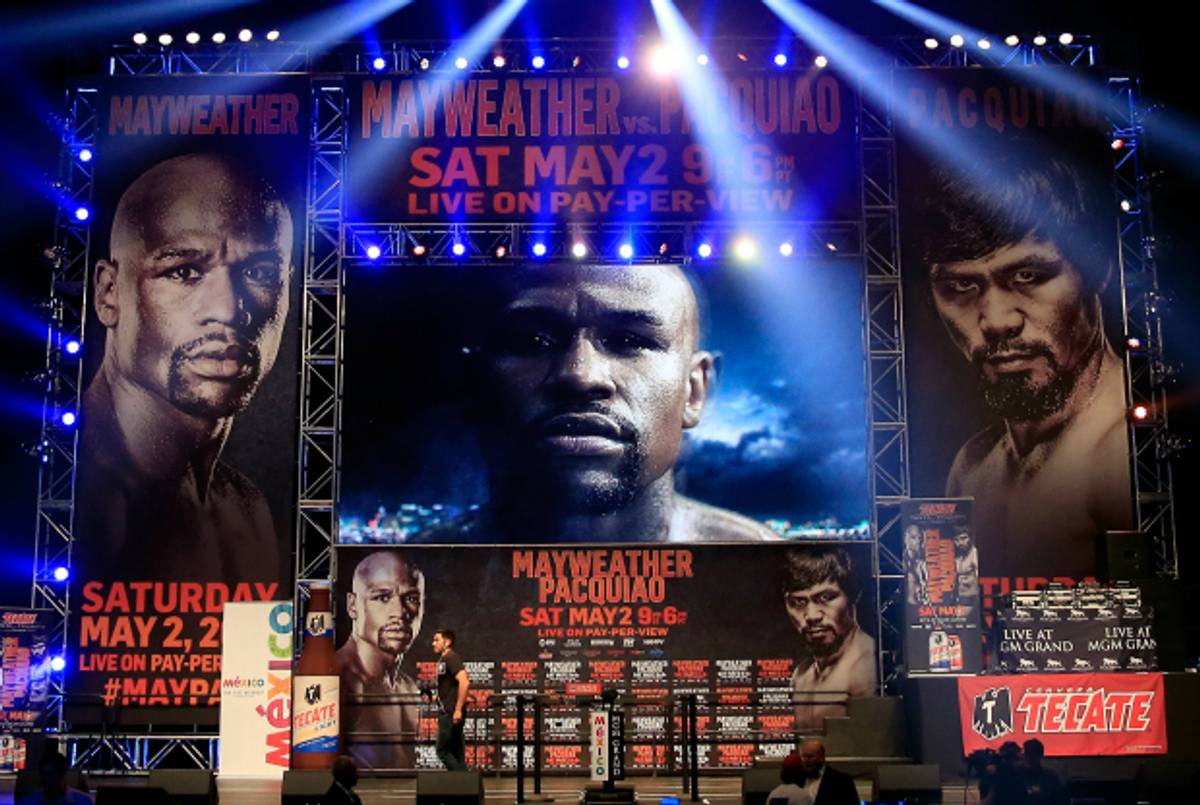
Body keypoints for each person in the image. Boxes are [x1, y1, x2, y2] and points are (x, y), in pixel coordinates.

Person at [416, 262, 775, 543]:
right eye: (533, 340)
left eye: (630, 341)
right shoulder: (414, 574)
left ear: (695, 390)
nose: (581, 376)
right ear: (475, 384)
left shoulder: (768, 573)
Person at [76, 152, 294, 583]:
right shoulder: (60, 497)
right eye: (183, 271)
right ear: (108, 294)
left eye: (261, 273)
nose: (228, 309)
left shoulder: (246, 508)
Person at [917, 153, 1132, 580]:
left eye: (1030, 275)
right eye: (961, 285)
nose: (997, 320)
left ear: (1097, 269)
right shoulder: (973, 466)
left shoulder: (1122, 455)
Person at [338, 551, 425, 769]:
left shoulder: (409, 686)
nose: (399, 612)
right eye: (382, 598)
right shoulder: (342, 680)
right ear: (352, 605)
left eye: (412, 599)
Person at [782, 547, 877, 731]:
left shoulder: (867, 667)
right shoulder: (800, 676)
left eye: (826, 597)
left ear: (852, 596)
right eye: (798, 602)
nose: (811, 616)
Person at [433, 628, 470, 770]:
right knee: (456, 752)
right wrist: (437, 697)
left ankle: (463, 780)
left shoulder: (451, 657)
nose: (433, 643)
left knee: (442, 751)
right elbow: (452, 686)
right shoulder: (444, 659)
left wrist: (458, 709)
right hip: (449, 709)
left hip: (450, 712)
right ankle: (466, 788)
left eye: (437, 640)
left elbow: (464, 682)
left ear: (447, 642)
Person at [797, 738, 859, 805]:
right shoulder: (796, 779)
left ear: (821, 757)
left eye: (809, 756)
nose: (805, 760)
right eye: (803, 756)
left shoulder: (842, 781)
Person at [17, 750, 92, 805]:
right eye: (43, 774)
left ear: (62, 774)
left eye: (50, 774)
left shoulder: (82, 802)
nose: (45, 778)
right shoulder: (27, 802)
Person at [1021, 739, 1064, 805]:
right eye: (1028, 754)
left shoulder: (1051, 778)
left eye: (1033, 754)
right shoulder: (1015, 777)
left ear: (1040, 756)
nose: (1030, 758)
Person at [953, 526, 980, 604]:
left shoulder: (974, 553)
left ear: (970, 539)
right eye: (957, 540)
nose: (960, 543)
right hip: (961, 596)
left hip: (973, 597)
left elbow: (979, 574)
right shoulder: (958, 556)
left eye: (964, 538)